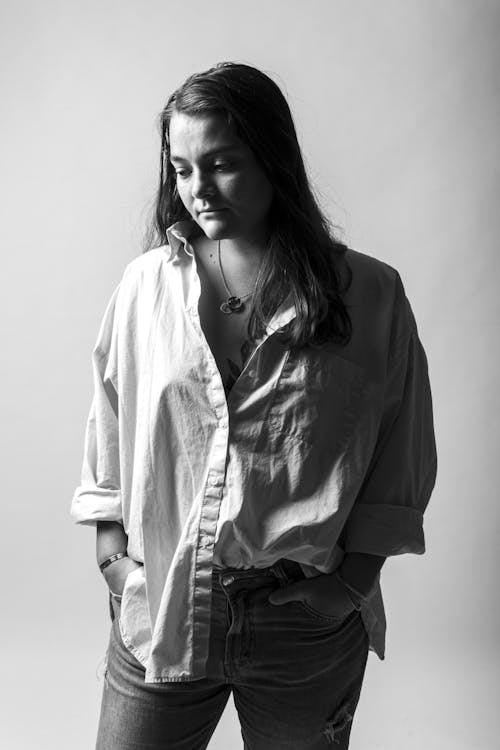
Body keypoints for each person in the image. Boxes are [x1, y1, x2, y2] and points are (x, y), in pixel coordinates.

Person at [71, 61, 437, 750]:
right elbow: (111, 417)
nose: (197, 188)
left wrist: (352, 583)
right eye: (181, 168)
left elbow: (399, 446)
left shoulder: (369, 294)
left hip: (302, 618)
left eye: (221, 163)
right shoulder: (147, 285)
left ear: (273, 159)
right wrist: (114, 559)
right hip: (168, 602)